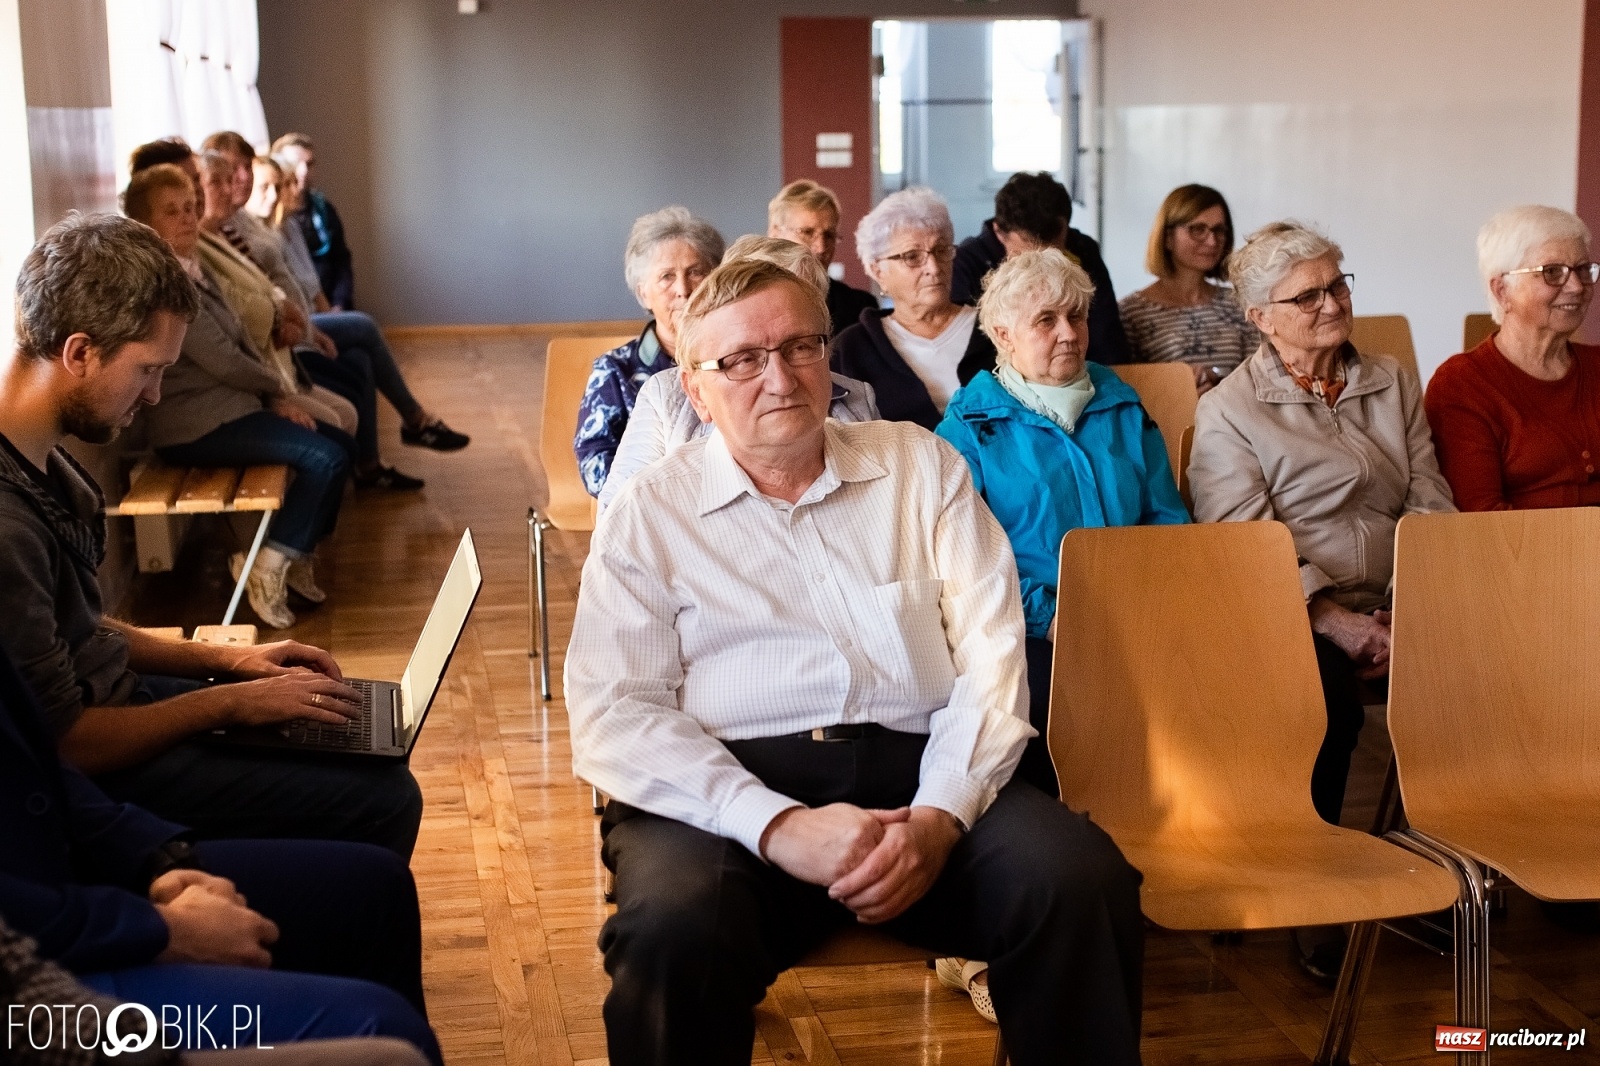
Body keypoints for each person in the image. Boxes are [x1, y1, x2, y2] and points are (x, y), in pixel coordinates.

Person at [567, 256, 1144, 1066]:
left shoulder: (918, 465)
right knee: (672, 929)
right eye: (740, 360)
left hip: (925, 779)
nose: (779, 377)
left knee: (1082, 884)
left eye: (800, 347)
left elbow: (992, 657)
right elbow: (614, 715)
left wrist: (942, 818)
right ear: (693, 390)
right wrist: (778, 827)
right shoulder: (649, 515)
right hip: (727, 800)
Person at [0, 213, 423, 857]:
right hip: (97, 769)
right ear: (79, 353)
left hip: (118, 700)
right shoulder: (8, 524)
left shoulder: (43, 461)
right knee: (382, 797)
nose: (154, 394)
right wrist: (229, 704)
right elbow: (69, 744)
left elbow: (79, 628)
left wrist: (227, 663)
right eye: (147, 370)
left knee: (355, 737)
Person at [1186, 221, 1455, 982]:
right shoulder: (1232, 410)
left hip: (1400, 598)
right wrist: (1339, 625)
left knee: (1471, 683)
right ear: (1260, 316)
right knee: (1327, 702)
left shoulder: (1391, 379)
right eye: (1307, 295)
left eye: (1338, 285)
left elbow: (1430, 493)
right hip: (1287, 608)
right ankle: (1315, 889)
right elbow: (1244, 542)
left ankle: (1432, 865)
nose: (1331, 303)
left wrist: (1409, 607)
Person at [0, 638, 440, 1065]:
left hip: (72, 882)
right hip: (36, 988)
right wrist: (161, 929)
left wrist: (160, 857)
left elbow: (39, 764)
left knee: (375, 885)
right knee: (384, 1029)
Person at [938, 248, 1188, 801]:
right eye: (1046, 321)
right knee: (1062, 700)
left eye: (1076, 316)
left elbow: (1168, 522)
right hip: (1030, 625)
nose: (1069, 333)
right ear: (1003, 334)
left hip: (1135, 609)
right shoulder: (968, 430)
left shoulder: (1121, 404)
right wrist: (1050, 618)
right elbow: (967, 562)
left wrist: (1151, 604)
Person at [125, 163, 349, 629]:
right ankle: (269, 565)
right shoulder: (164, 285)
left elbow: (241, 343)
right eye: (172, 212)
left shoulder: (193, 266)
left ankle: (295, 553)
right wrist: (276, 392)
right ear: (145, 226)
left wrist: (273, 400)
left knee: (337, 446)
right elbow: (224, 360)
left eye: (190, 207)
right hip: (197, 427)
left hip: (232, 411)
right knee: (324, 458)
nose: (188, 218)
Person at [199, 136, 424, 491]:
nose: (237, 181)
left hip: (295, 332)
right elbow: (247, 307)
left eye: (241, 170)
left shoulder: (286, 218)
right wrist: (291, 322)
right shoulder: (222, 233)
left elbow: (330, 265)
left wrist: (325, 307)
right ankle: (413, 422)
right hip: (279, 350)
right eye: (225, 176)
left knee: (360, 363)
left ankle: (374, 461)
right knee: (362, 329)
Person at [598, 235, 879, 512]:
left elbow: (878, 503)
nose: (780, 382)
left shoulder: (855, 397)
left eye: (804, 298)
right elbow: (619, 511)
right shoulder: (666, 395)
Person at [248, 152, 469, 454]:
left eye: (281, 185)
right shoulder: (258, 238)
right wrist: (319, 325)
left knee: (361, 355)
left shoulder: (290, 228)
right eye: (269, 187)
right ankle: (415, 419)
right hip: (298, 330)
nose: (281, 193)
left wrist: (334, 310)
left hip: (310, 318)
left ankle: (371, 467)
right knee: (363, 325)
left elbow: (320, 278)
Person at [1426, 206, 1600, 511]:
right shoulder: (1462, 385)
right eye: (1552, 272)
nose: (1576, 287)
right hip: (1528, 554)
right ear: (1502, 290)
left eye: (1583, 270)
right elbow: (1482, 520)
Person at [574, 205, 724, 497]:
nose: (683, 289)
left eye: (695, 272)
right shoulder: (616, 371)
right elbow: (595, 464)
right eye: (667, 276)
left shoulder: (735, 358)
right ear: (644, 292)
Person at [830, 187, 996, 429]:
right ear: (878, 271)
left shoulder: (996, 330)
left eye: (941, 251)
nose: (934, 268)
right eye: (912, 256)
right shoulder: (851, 350)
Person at [950, 171, 1130, 365]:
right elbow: (969, 352)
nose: (1043, 266)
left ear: (1066, 229)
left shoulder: (1083, 250)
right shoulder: (966, 262)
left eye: (1054, 253)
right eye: (1027, 257)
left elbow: (1108, 339)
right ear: (999, 232)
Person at [1120, 184, 1258, 393]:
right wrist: (1180, 388)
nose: (1212, 241)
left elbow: (1260, 374)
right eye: (1198, 229)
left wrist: (1219, 380)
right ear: (1167, 237)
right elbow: (1129, 386)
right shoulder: (1132, 313)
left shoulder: (1240, 302)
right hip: (1168, 423)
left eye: (1218, 230)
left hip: (1238, 421)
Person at [765, 179, 877, 336]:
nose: (821, 247)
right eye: (807, 232)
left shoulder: (860, 308)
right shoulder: (752, 300)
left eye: (829, 235)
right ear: (775, 233)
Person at [271, 131, 355, 311]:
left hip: (327, 303)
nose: (303, 171)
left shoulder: (323, 208)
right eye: (295, 164)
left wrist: (339, 304)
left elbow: (341, 261)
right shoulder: (275, 225)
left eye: (309, 164)